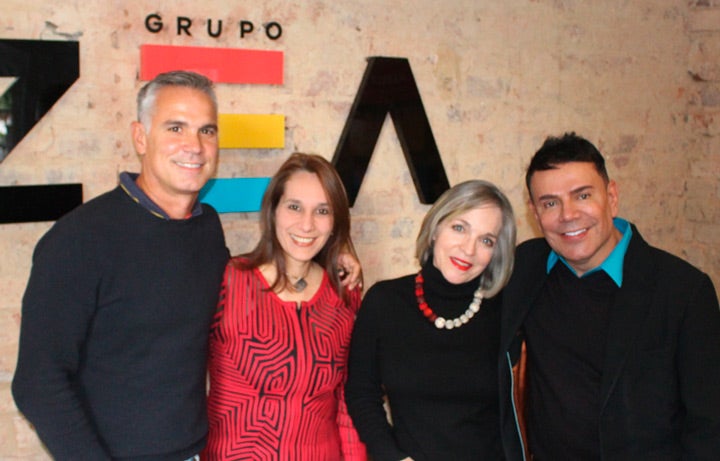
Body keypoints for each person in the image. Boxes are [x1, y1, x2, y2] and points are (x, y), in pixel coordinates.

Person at [11, 71, 229, 459]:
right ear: (140, 138)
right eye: (175, 127)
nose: (194, 146)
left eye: (206, 131)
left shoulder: (206, 228)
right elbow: (37, 383)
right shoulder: (79, 239)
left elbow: (243, 300)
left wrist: (327, 262)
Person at [499, 132, 720, 460]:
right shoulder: (524, 269)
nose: (568, 215)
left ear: (612, 196)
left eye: (582, 195)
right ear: (534, 212)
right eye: (550, 203)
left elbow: (709, 426)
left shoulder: (683, 291)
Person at [202, 153, 367, 461]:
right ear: (273, 211)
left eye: (322, 211)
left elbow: (348, 402)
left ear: (335, 222)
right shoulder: (228, 281)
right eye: (294, 207)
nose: (307, 224)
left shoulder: (344, 293)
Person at [345, 180, 517, 461]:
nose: (468, 249)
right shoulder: (385, 301)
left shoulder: (507, 310)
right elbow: (361, 392)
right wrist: (393, 457)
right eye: (459, 228)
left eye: (487, 240)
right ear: (436, 228)